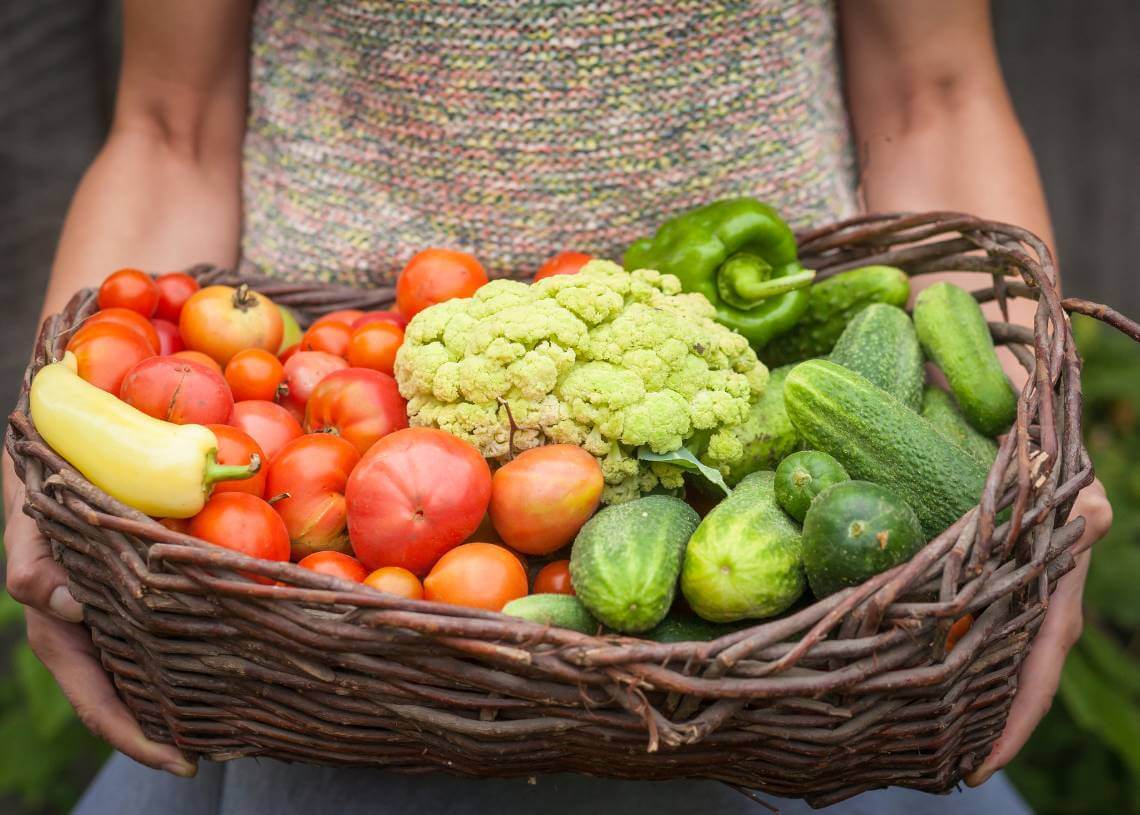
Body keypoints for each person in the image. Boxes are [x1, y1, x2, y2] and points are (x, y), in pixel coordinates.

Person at [2, 1, 1112, 813]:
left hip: (825, 642)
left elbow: (936, 98)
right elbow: (171, 128)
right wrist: (60, 462)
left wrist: (1031, 456)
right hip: (316, 584)